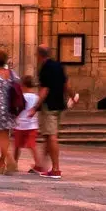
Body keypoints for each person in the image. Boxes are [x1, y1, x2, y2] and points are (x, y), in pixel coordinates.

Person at [34, 46, 73, 180]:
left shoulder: (45, 68)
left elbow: (44, 90)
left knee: (51, 136)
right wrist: (72, 97)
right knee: (47, 135)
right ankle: (40, 165)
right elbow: (66, 85)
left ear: (39, 55)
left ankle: (56, 169)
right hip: (59, 105)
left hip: (49, 106)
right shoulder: (59, 66)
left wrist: (35, 107)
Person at [14, 76, 43, 172]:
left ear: (23, 85)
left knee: (17, 146)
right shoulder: (37, 98)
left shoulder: (21, 97)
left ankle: (14, 163)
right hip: (32, 125)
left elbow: (17, 109)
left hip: (20, 125)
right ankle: (38, 164)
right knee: (32, 145)